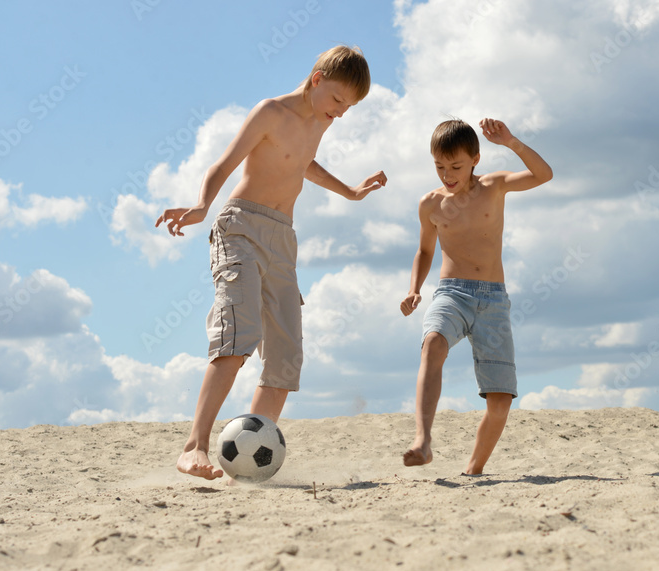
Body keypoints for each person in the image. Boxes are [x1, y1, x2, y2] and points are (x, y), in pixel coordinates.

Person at [157, 46, 387, 480]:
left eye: (349, 107)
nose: (341, 113)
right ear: (317, 79)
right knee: (239, 334)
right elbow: (224, 163)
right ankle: (194, 447)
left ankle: (243, 465)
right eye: (339, 100)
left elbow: (303, 164)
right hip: (240, 228)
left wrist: (351, 192)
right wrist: (202, 204)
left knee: (285, 360)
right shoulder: (270, 112)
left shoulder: (320, 120)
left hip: (283, 238)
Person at [400, 118, 552, 475]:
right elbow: (424, 251)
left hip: (494, 300)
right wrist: (413, 289)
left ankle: (474, 469)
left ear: (475, 159)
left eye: (455, 166)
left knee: (500, 401)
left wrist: (512, 141)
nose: (447, 175)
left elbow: (543, 174)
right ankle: (423, 441)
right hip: (451, 293)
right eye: (439, 166)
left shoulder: (494, 187)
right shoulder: (430, 204)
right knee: (432, 344)